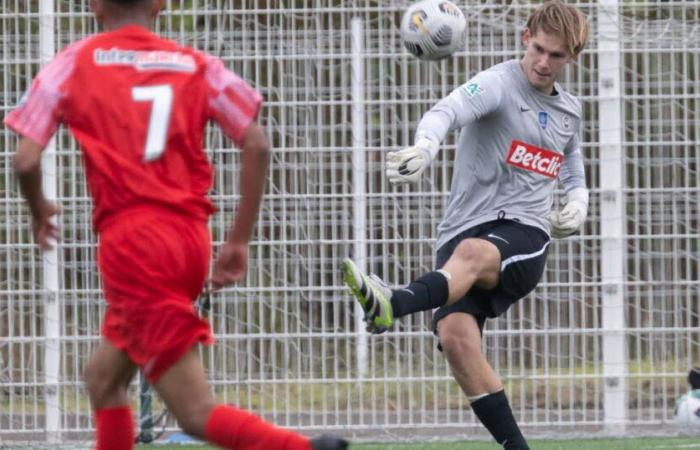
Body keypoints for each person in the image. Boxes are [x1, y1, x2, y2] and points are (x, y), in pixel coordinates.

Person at [5, 1, 348, 449]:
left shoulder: (73, 63)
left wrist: (39, 209)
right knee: (102, 380)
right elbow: (257, 143)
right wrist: (239, 241)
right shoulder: (195, 65)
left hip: (133, 245)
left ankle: (303, 449)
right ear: (160, 5)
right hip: (188, 239)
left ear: (92, 5)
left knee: (193, 412)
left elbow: (25, 160)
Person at [342, 1, 589, 449]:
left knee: (473, 255)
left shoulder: (569, 110)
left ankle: (393, 303)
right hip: (461, 231)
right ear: (525, 37)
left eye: (555, 55)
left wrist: (578, 199)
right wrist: (424, 147)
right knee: (456, 340)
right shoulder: (497, 84)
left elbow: (571, 161)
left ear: (571, 57)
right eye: (538, 49)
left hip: (524, 234)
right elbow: (447, 111)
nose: (542, 62)